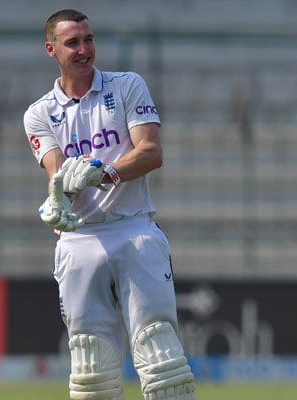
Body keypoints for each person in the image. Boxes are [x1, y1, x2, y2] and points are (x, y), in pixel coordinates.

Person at [23, 9, 196, 400]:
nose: (84, 50)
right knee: (91, 372)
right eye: (73, 43)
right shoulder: (38, 114)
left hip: (134, 229)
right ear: (51, 49)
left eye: (89, 39)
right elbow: (56, 173)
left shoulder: (127, 86)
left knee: (162, 360)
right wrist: (57, 196)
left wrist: (104, 174)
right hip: (80, 240)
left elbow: (151, 152)